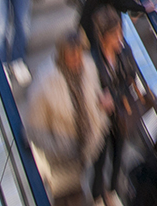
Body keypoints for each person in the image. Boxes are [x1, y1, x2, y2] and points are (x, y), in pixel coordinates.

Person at [25, 31, 108, 205]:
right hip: (59, 161)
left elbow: (94, 100)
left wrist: (100, 116)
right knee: (64, 198)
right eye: (73, 55)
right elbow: (33, 130)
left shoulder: (88, 66)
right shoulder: (45, 83)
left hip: (83, 152)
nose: (78, 60)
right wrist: (60, 147)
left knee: (78, 192)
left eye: (80, 54)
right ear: (62, 55)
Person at [90, 6, 141, 206]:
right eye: (114, 34)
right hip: (101, 119)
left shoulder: (124, 50)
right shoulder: (93, 59)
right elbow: (90, 90)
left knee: (118, 155)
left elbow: (131, 77)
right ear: (103, 37)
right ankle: (96, 197)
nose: (119, 37)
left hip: (120, 114)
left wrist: (113, 95)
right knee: (99, 159)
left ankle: (111, 191)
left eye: (119, 31)